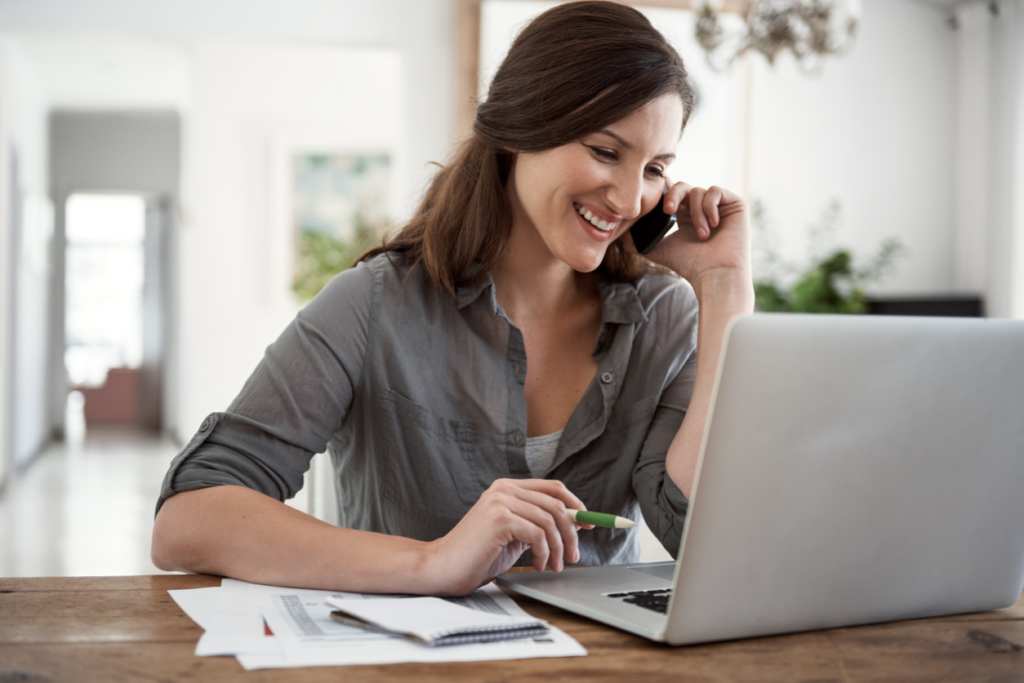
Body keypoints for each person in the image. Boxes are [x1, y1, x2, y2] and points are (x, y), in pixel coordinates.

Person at [151, 1, 753, 596]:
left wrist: (724, 288)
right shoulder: (374, 304)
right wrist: (431, 562)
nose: (627, 199)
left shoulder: (666, 317)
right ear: (521, 127)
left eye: (655, 168)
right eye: (604, 151)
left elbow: (704, 534)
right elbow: (188, 519)